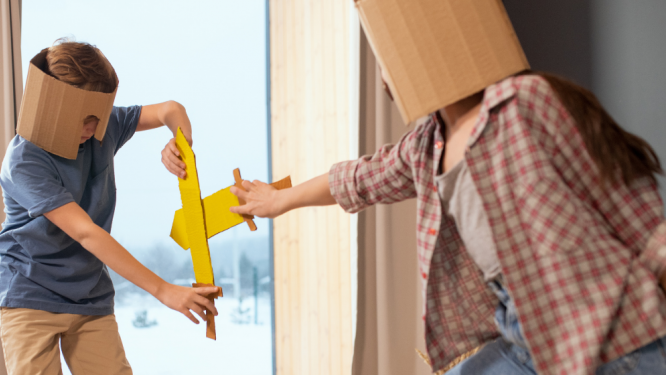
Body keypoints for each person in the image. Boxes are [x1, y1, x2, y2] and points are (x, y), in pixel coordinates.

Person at [230, 71, 666, 374]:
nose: (386, 73)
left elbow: (632, 207)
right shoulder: (426, 144)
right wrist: (279, 198)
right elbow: (360, 178)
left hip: (616, 342)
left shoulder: (524, 102)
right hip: (527, 339)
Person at [0, 39, 218, 375]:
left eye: (98, 117)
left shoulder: (100, 126)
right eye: (84, 119)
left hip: (89, 296)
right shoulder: (26, 160)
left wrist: (179, 142)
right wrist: (163, 290)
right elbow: (85, 233)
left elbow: (170, 108)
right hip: (30, 294)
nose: (93, 128)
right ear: (54, 109)